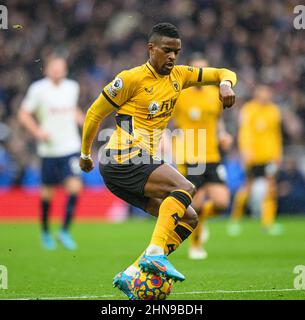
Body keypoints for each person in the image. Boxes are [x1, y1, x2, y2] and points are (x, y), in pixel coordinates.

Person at [79, 22, 236, 299]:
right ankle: (154, 254)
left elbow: (225, 72)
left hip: (132, 168)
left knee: (188, 218)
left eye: (177, 51)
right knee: (186, 188)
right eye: (167, 51)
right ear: (151, 49)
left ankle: (132, 273)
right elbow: (94, 113)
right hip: (122, 157)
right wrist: (84, 154)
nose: (173, 57)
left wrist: (224, 84)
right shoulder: (131, 79)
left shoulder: (181, 75)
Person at [18, 55, 84, 250]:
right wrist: (37, 131)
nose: (57, 70)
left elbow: (72, 109)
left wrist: (84, 120)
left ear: (65, 69)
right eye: (53, 67)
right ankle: (46, 232)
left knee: (74, 188)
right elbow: (23, 113)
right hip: (49, 150)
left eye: (60, 67)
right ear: (47, 69)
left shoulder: (72, 87)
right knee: (48, 193)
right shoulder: (38, 89)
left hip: (70, 147)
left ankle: (64, 231)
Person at [172, 54, 233, 260]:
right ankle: (195, 246)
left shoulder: (214, 93)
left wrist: (223, 134)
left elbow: (217, 120)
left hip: (212, 155)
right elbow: (169, 121)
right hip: (189, 155)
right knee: (195, 204)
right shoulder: (180, 94)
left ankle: (202, 223)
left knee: (222, 202)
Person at [227, 85, 282, 236]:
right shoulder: (249, 110)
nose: (265, 95)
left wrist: (278, 154)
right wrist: (245, 152)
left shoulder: (274, 111)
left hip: (269, 157)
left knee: (271, 189)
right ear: (256, 94)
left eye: (267, 92)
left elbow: (276, 134)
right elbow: (244, 133)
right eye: (262, 92)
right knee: (247, 188)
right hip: (253, 157)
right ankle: (235, 220)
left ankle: (267, 223)